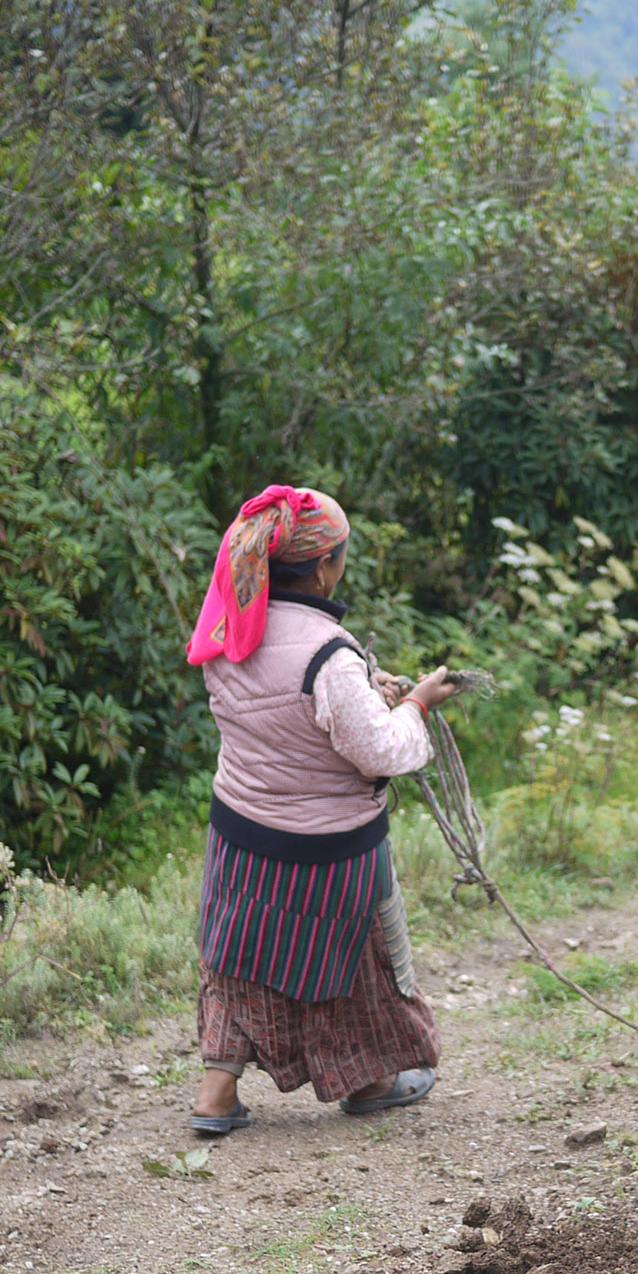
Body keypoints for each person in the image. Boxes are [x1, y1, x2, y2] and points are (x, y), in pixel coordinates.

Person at [182, 485, 462, 1136]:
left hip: (241, 835)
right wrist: (414, 703)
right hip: (325, 852)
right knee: (350, 962)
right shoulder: (328, 652)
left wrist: (368, 685)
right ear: (323, 566)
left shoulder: (229, 627)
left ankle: (215, 1094)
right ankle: (370, 1079)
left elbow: (287, 714)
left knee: (235, 958)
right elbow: (382, 750)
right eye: (342, 555)